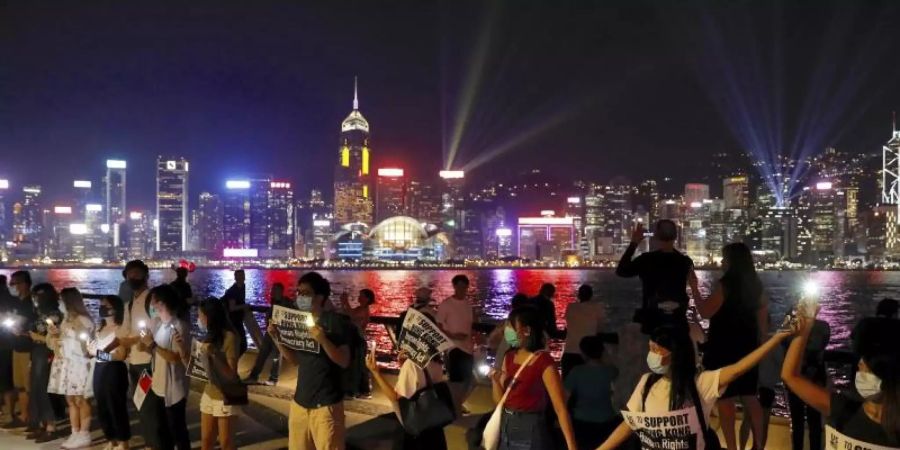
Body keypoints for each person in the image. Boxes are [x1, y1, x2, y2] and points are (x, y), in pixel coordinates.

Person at [597, 324, 796, 450]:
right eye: (650, 349)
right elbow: (629, 424)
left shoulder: (700, 383)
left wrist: (777, 338)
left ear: (675, 353)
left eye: (657, 349)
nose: (652, 354)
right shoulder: (647, 382)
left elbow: (737, 369)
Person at [689, 243, 769, 450]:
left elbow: (705, 312)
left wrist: (694, 287)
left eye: (725, 259)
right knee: (751, 397)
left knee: (725, 399)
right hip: (749, 348)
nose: (722, 262)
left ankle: (731, 447)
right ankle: (760, 445)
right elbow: (763, 325)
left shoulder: (726, 285)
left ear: (732, 261)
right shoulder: (756, 286)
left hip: (723, 347)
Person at [782, 309, 900, 446]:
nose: (860, 364)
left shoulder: (844, 410)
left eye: (867, 360)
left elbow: (790, 376)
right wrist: (807, 323)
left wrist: (805, 328)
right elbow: (790, 377)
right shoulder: (843, 409)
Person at [268, 271, 350, 450]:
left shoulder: (333, 322)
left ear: (320, 297)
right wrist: (277, 338)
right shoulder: (298, 323)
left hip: (326, 407)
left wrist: (323, 340)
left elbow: (344, 360)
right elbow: (295, 360)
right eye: (298, 292)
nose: (300, 297)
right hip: (300, 403)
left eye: (305, 293)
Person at [353, 313, 450, 450]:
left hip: (417, 430)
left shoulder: (412, 365)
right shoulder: (435, 361)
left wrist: (375, 372)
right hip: (433, 428)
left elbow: (396, 398)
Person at [490, 307, 577, 450]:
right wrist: (495, 381)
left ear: (527, 331)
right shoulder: (509, 356)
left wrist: (572, 446)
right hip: (506, 425)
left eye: (511, 326)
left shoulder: (543, 361)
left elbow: (560, 407)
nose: (507, 330)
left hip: (530, 428)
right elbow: (500, 401)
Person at [616, 220, 694, 334]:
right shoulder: (686, 262)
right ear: (676, 236)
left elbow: (621, 271)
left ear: (656, 236)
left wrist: (634, 243)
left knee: (657, 351)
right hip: (678, 322)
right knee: (678, 350)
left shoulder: (646, 260)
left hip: (653, 322)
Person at [140, 284, 192, 450]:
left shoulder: (179, 326)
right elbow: (154, 352)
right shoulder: (157, 325)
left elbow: (176, 358)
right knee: (161, 431)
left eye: (153, 302)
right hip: (157, 386)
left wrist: (153, 345)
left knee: (178, 431)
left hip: (174, 389)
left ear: (161, 303)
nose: (151, 306)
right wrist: (145, 345)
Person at [46, 287, 95, 449]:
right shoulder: (66, 320)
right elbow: (61, 342)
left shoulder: (83, 319)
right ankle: (75, 432)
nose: (59, 303)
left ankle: (84, 433)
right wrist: (55, 334)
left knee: (81, 399)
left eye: (61, 300)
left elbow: (86, 344)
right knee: (71, 400)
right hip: (67, 363)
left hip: (80, 363)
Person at [117, 259, 157, 448]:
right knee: (140, 404)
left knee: (149, 406)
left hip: (149, 362)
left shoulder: (152, 299)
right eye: (129, 274)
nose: (133, 277)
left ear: (146, 276)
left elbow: (154, 328)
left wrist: (135, 339)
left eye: (137, 273)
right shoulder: (130, 304)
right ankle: (150, 441)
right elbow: (125, 331)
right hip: (134, 361)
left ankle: (154, 444)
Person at [87, 295, 131, 450]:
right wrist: (90, 350)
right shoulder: (99, 329)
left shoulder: (120, 329)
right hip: (99, 369)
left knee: (116, 405)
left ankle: (123, 440)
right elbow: (93, 351)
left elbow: (120, 355)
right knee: (102, 405)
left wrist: (97, 354)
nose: (102, 308)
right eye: (101, 305)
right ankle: (110, 438)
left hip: (114, 370)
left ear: (115, 309)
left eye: (106, 305)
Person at [24, 283, 64, 443]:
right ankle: (41, 423)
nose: (36, 299)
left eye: (38, 296)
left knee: (44, 387)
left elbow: (52, 335)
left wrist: (36, 335)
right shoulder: (40, 312)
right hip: (37, 350)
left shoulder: (54, 314)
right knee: (35, 387)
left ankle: (50, 426)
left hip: (47, 351)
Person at [198, 298, 239, 450]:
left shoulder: (230, 337)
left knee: (226, 443)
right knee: (206, 440)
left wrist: (214, 354)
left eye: (201, 316)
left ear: (210, 317)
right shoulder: (208, 336)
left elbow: (232, 375)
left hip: (227, 394)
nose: (199, 320)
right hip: (209, 391)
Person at [564, 335, 619, 450]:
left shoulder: (577, 372)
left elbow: (565, 398)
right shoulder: (612, 371)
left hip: (582, 422)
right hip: (607, 421)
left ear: (583, 353)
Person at [784, 317, 830, 450]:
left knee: (798, 420)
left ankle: (798, 447)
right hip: (815, 378)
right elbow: (823, 346)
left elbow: (785, 343)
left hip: (797, 377)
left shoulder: (793, 324)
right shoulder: (823, 326)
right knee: (814, 421)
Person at [436, 274, 476, 412]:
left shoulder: (468, 305)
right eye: (459, 286)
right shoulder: (446, 304)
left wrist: (475, 338)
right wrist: (452, 336)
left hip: (468, 347)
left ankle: (456, 403)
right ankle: (454, 406)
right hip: (453, 348)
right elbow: (438, 326)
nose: (462, 289)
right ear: (454, 286)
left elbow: (470, 325)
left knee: (470, 380)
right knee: (457, 380)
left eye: (464, 287)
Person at [2, 270, 36, 430]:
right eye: (11, 283)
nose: (12, 286)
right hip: (16, 346)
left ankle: (29, 416)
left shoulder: (30, 302)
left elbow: (23, 324)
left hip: (27, 348)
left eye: (14, 283)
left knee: (28, 385)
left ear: (24, 284)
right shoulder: (17, 302)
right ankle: (23, 415)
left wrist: (15, 325)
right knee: (19, 385)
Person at [739, 330, 784, 450]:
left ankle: (742, 447)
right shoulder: (774, 343)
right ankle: (758, 447)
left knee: (747, 419)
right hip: (766, 386)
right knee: (763, 423)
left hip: (752, 385)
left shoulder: (751, 339)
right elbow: (782, 363)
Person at [245, 282, 292, 385]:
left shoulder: (286, 303)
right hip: (270, 332)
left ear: (280, 291)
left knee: (276, 355)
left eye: (274, 290)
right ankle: (254, 376)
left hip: (278, 333)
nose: (272, 292)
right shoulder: (275, 301)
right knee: (262, 354)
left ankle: (273, 378)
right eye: (272, 290)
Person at [562, 284, 605, 378]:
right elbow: (601, 328)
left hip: (570, 351)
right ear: (591, 295)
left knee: (566, 386)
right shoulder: (597, 308)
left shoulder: (571, 307)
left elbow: (568, 324)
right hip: (588, 353)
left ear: (578, 295)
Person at [344, 289, 374, 399]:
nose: (358, 297)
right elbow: (348, 314)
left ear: (367, 299)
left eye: (361, 296)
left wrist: (345, 302)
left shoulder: (364, 310)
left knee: (359, 366)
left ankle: (363, 390)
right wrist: (344, 304)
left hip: (359, 340)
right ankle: (356, 390)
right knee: (355, 365)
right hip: (355, 339)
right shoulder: (359, 308)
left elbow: (351, 315)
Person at [0, 274, 19, 429]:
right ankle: (9, 414)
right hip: (8, 344)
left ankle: (8, 413)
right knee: (7, 381)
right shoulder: (13, 301)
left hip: (6, 344)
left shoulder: (11, 301)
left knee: (6, 381)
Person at [222, 269, 249, 356]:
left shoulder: (242, 287)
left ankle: (232, 361)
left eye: (243, 276)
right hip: (232, 321)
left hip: (237, 320)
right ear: (235, 277)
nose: (242, 278)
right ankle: (232, 362)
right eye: (240, 276)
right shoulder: (233, 291)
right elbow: (232, 307)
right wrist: (244, 306)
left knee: (238, 343)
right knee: (242, 344)